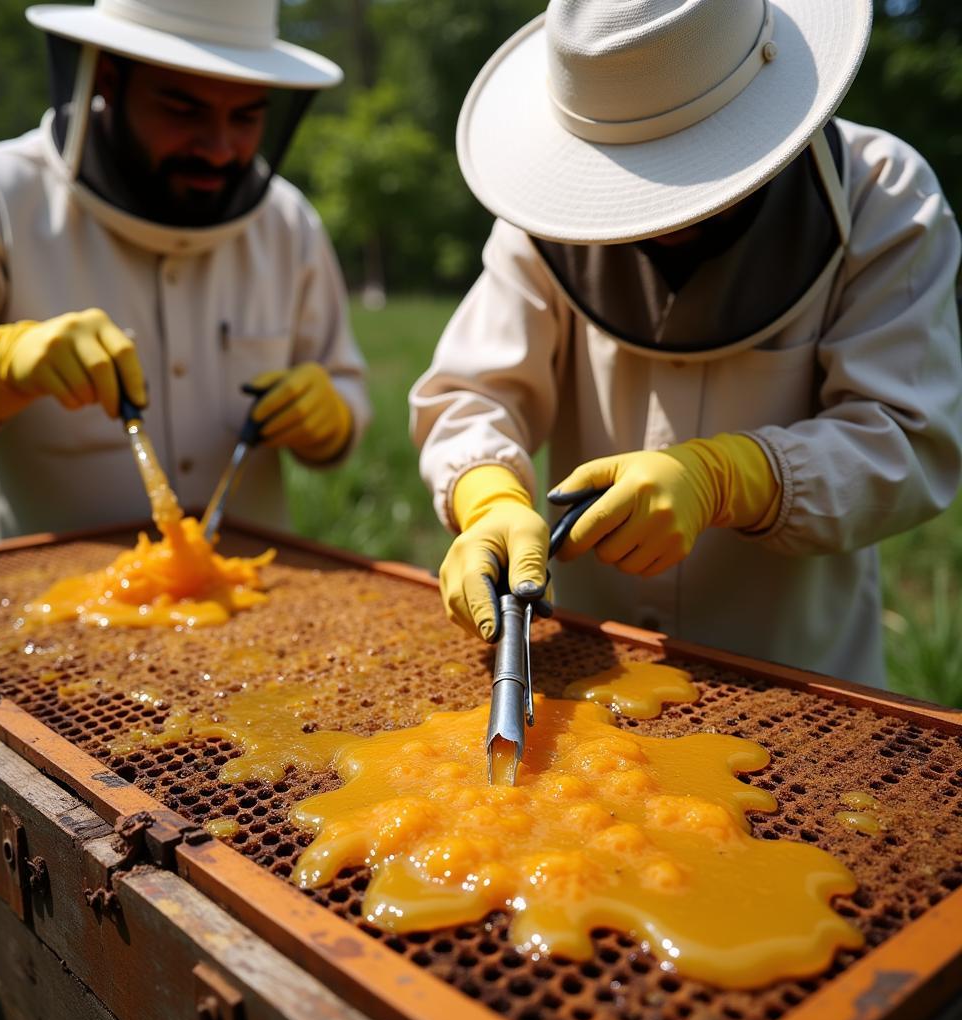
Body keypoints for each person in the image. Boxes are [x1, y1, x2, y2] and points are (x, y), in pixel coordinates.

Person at [410, 0, 962, 686]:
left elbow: (908, 438)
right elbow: (472, 391)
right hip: (593, 666)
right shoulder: (541, 212)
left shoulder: (885, 195)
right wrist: (487, 497)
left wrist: (735, 476)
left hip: (795, 677)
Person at [0, 0, 370, 545]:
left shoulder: (287, 223)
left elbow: (346, 393)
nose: (218, 149)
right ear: (110, 82)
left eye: (246, 116)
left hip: (252, 603)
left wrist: (331, 420)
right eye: (183, 109)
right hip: (42, 608)